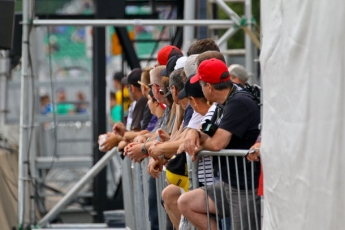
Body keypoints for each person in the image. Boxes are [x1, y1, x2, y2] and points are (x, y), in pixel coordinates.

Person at [177, 58, 261, 230]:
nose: (200, 88)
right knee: (186, 202)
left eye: (201, 84)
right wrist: (194, 133)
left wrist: (197, 145)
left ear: (209, 86)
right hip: (228, 183)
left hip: (245, 186)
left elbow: (217, 143)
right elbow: (209, 129)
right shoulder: (224, 102)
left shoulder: (238, 102)